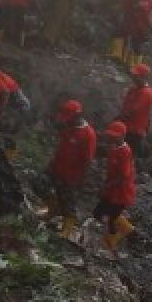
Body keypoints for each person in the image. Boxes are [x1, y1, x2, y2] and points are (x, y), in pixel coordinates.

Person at [44, 99, 97, 239]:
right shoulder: (68, 127)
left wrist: (81, 179)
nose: (66, 121)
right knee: (40, 184)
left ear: (77, 116)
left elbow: (87, 160)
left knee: (68, 200)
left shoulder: (88, 134)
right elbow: (61, 147)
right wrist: (52, 163)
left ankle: (68, 226)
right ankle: (52, 209)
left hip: (71, 175)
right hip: (57, 168)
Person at [94, 121, 136, 252]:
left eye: (114, 135)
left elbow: (123, 176)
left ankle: (111, 242)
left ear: (122, 136)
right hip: (112, 189)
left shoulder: (125, 151)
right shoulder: (113, 149)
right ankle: (127, 229)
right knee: (98, 213)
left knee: (111, 217)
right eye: (111, 135)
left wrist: (106, 186)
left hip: (122, 191)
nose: (111, 137)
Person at [117, 62, 152, 162]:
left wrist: (119, 118)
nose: (133, 77)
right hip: (127, 128)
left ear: (143, 77)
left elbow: (133, 111)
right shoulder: (133, 89)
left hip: (135, 131)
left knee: (129, 158)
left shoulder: (146, 93)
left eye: (136, 75)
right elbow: (126, 105)